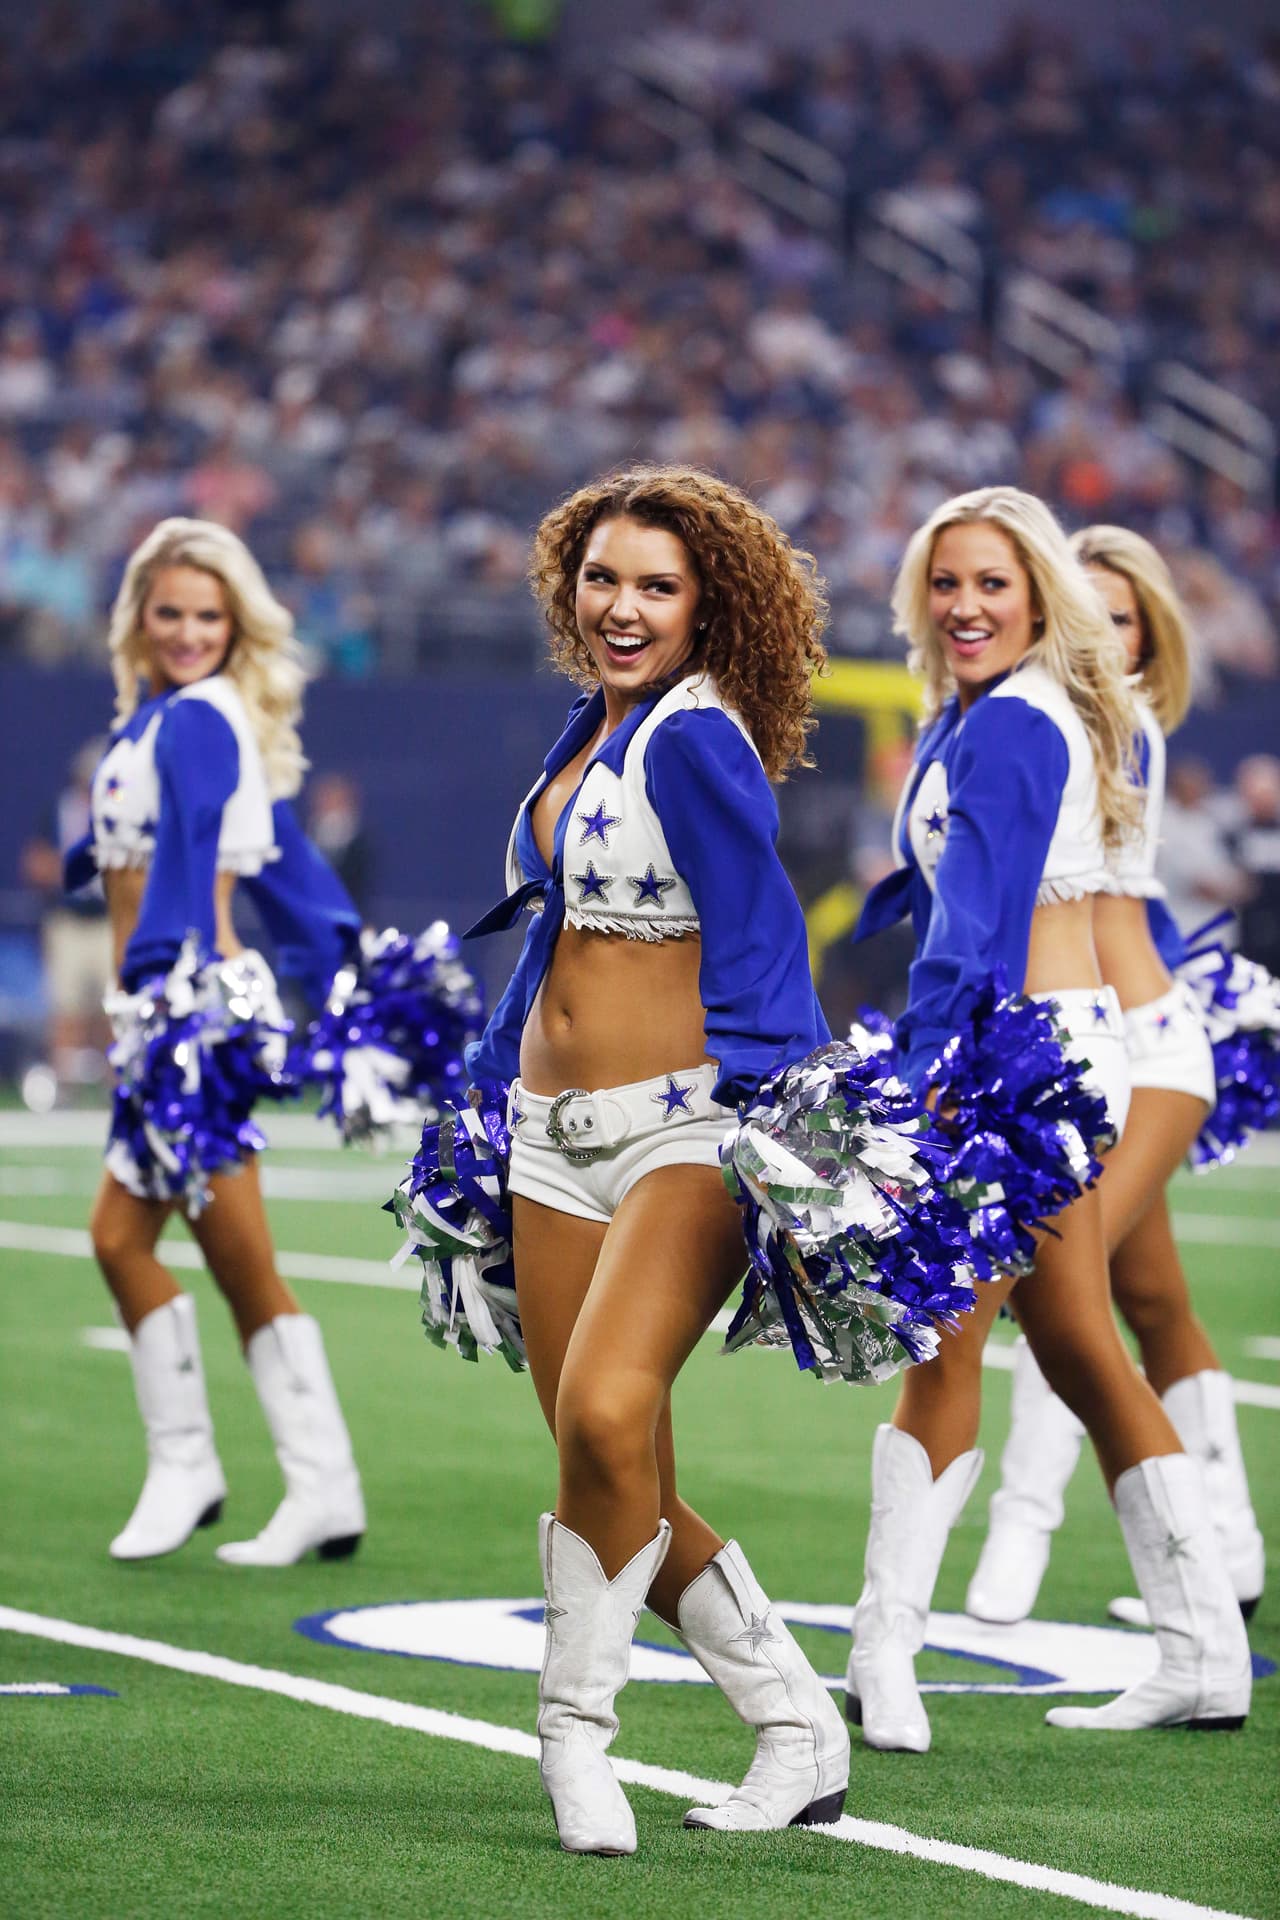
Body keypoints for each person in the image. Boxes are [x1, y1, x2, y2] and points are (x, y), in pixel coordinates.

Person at [462, 466, 849, 1852]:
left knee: (608, 1421)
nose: (623, 608)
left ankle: (577, 1748)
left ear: (708, 606)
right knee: (607, 1464)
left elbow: (759, 932)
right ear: (570, 584)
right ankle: (798, 1728)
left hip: (687, 1131)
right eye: (604, 579)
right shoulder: (592, 727)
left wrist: (781, 1122)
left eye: (657, 588)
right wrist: (482, 1084)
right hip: (548, 1141)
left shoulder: (697, 739)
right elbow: (552, 941)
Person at [846, 486, 1252, 1745]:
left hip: (1016, 1058)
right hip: (1041, 1050)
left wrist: (921, 1080)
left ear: (1036, 599)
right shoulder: (985, 712)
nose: (965, 605)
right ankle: (1203, 1651)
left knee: (949, 1342)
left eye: (992, 585)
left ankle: (884, 1654)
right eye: (946, 582)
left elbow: (979, 928)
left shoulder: (1016, 723)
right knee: (1077, 1340)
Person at [966, 524, 1265, 1628]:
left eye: (1117, 615)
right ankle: (1226, 1554)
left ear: (1144, 634)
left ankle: (1019, 1536)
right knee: (1149, 1298)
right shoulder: (1041, 715)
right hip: (1105, 1035)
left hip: (1133, 1045)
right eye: (1076, 609)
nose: (1094, 632)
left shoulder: (1111, 720)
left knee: (1067, 1294)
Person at [67, 518, 367, 1568]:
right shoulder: (168, 718)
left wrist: (156, 976)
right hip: (171, 1002)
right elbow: (260, 853)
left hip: (186, 1006)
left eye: (209, 616)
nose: (191, 631)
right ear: (138, 621)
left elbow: (194, 855)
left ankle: (268, 1477)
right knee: (134, 1243)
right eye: (172, 613)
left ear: (234, 626)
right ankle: (233, 1471)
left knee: (220, 1259)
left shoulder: (195, 719)